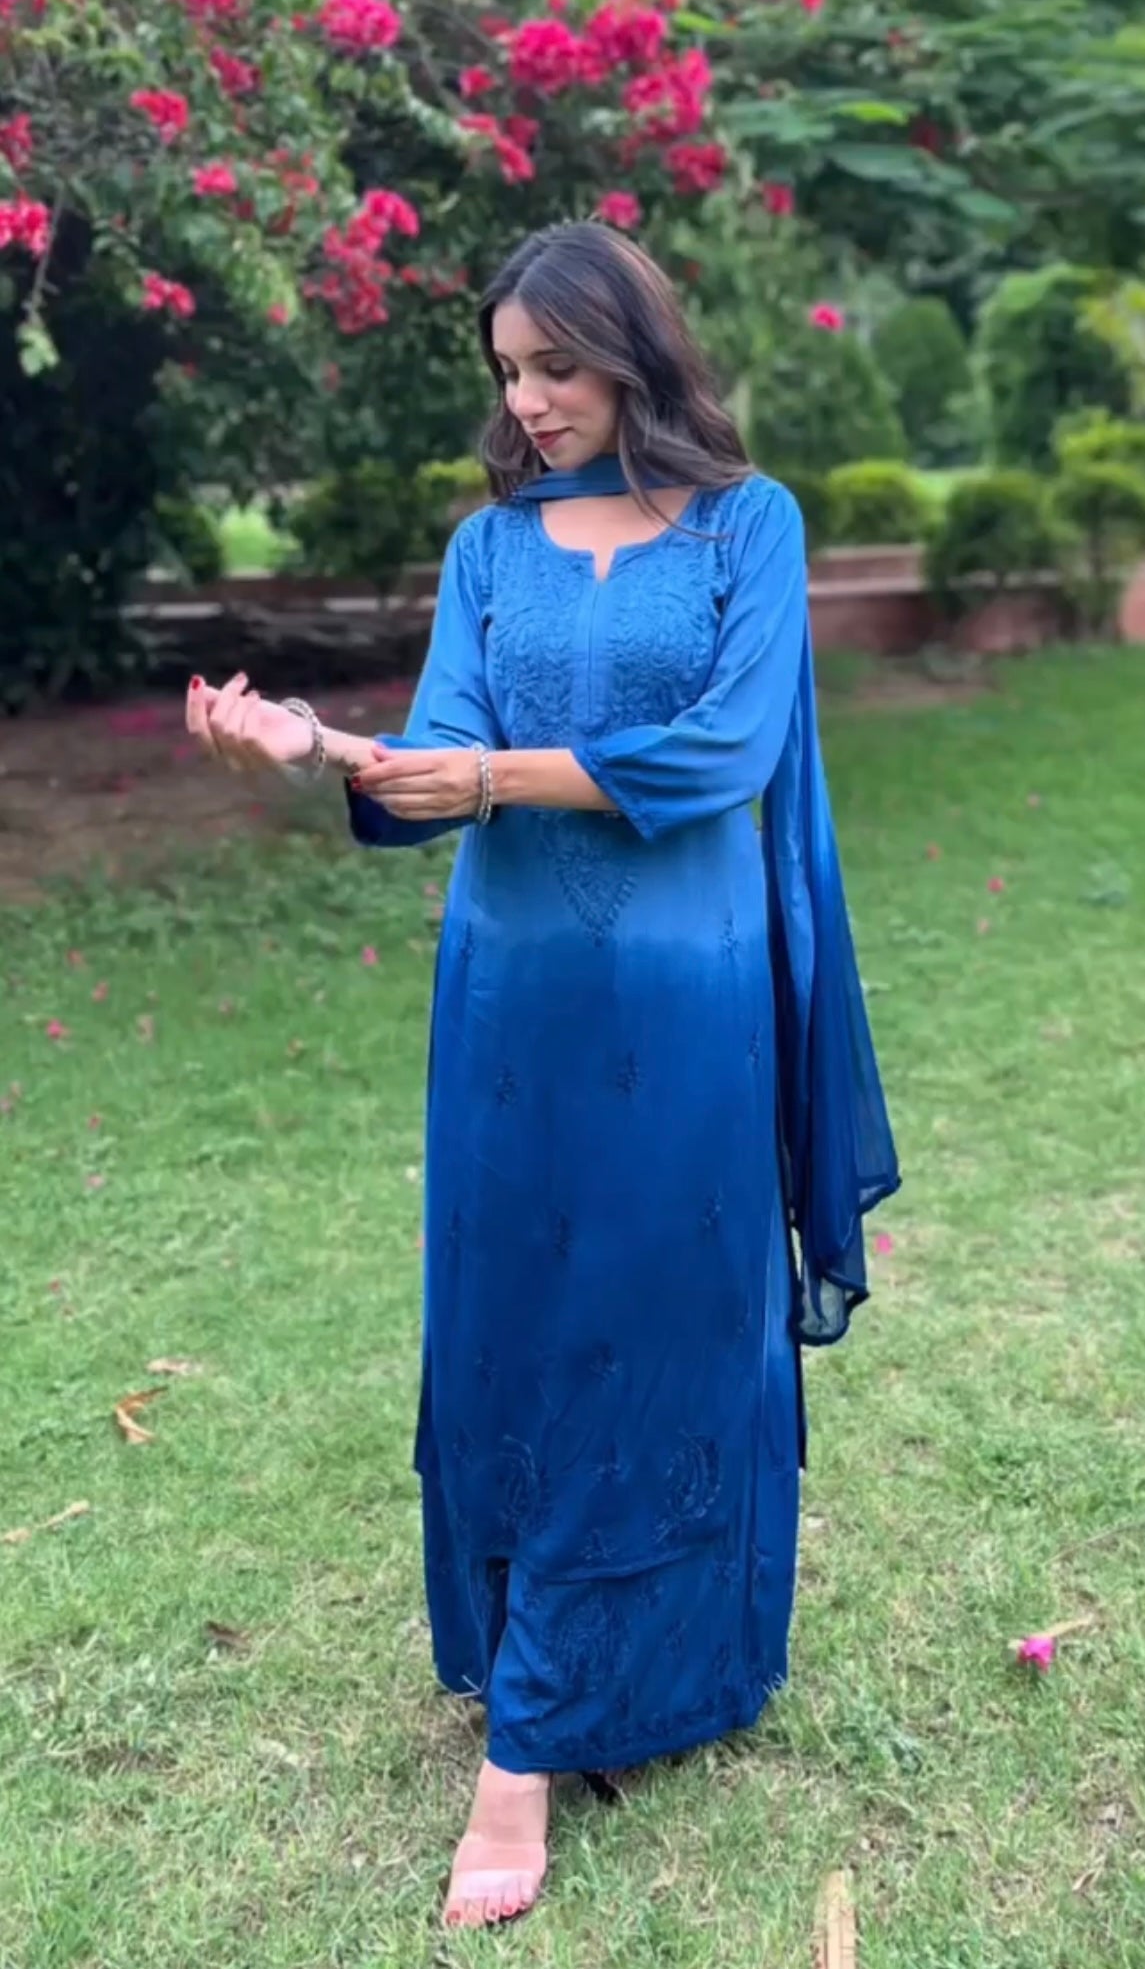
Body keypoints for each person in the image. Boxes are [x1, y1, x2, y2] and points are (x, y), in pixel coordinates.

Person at [186, 218, 900, 1931]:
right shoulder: (487, 547)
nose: (529, 400)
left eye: (557, 366)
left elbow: (725, 749)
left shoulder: (746, 523)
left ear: (633, 353)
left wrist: (498, 775)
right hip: (507, 1002)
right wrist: (322, 747)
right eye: (510, 371)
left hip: (686, 1001)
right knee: (514, 1314)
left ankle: (538, 1740)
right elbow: (439, 744)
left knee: (655, 1317)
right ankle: (533, 1664)